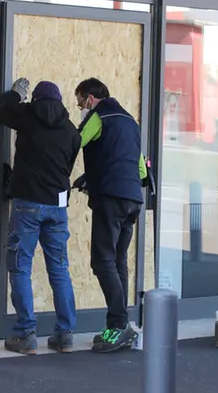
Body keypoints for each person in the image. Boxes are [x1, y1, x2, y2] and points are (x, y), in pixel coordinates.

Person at [0, 77, 82, 355]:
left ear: (36, 100)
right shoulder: (71, 131)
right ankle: (65, 335)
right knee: (59, 270)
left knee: (21, 267)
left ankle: (26, 334)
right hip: (58, 207)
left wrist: (16, 94)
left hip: (28, 204)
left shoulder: (28, 116)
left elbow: (0, 110)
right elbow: (67, 168)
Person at [73, 77, 147, 353]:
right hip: (132, 199)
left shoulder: (99, 116)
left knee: (101, 261)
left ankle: (119, 326)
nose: (80, 107)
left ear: (90, 99)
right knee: (118, 262)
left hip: (111, 198)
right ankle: (118, 325)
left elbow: (74, 142)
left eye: (80, 102)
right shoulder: (130, 121)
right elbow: (139, 168)